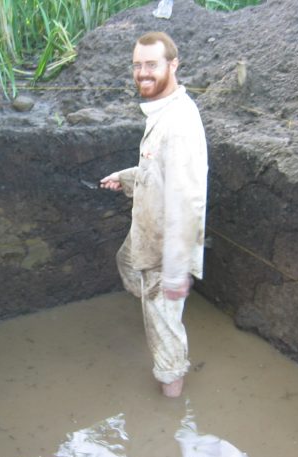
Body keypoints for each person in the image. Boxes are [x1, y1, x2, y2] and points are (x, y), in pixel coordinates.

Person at [100, 32, 208, 398]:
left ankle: (171, 401)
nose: (142, 73)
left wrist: (176, 273)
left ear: (172, 65)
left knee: (165, 328)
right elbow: (160, 171)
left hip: (168, 245)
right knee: (127, 262)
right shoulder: (161, 110)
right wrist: (127, 178)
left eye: (152, 65)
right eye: (137, 65)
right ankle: (154, 309)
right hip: (147, 229)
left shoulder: (179, 124)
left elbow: (186, 202)